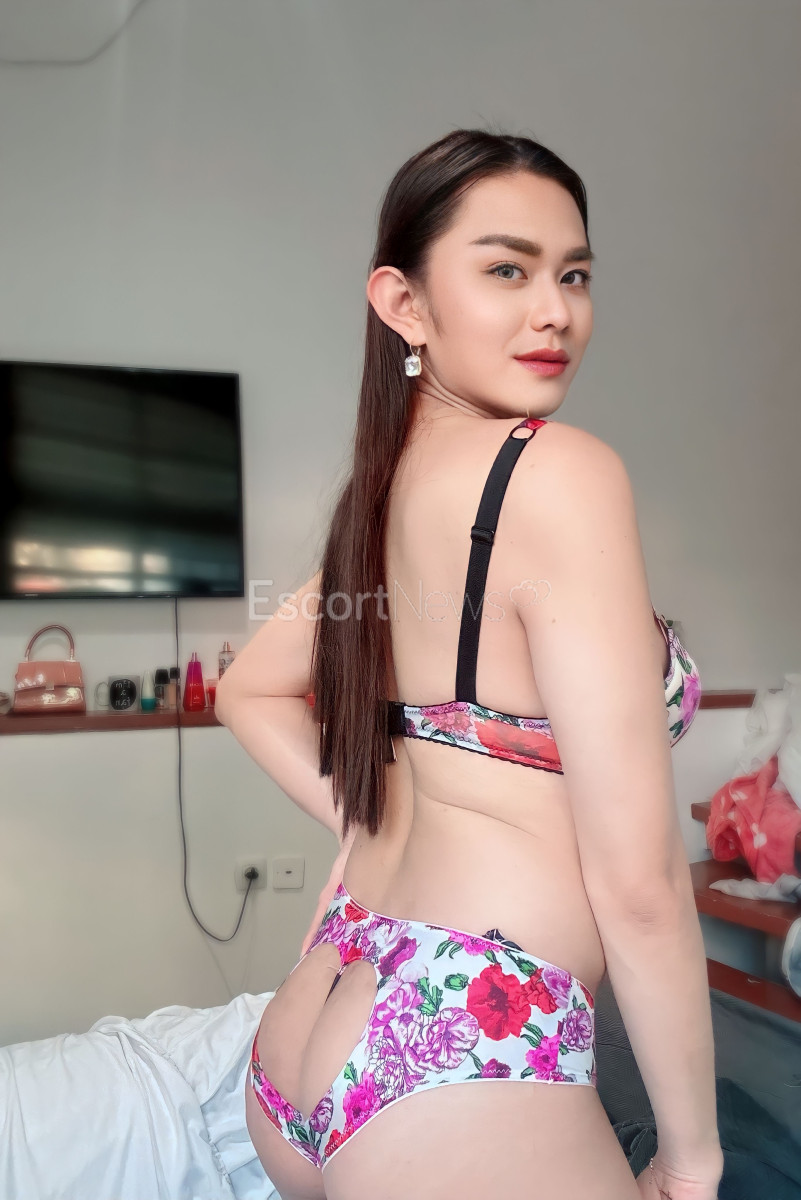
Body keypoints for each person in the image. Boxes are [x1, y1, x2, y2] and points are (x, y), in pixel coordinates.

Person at [215, 128, 723, 1200]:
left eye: (573, 275)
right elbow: (638, 886)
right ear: (402, 303)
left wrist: (365, 828)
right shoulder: (559, 473)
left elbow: (247, 689)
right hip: (461, 1048)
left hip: (325, 1000)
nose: (555, 312)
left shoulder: (383, 496)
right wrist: (690, 1159)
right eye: (506, 270)